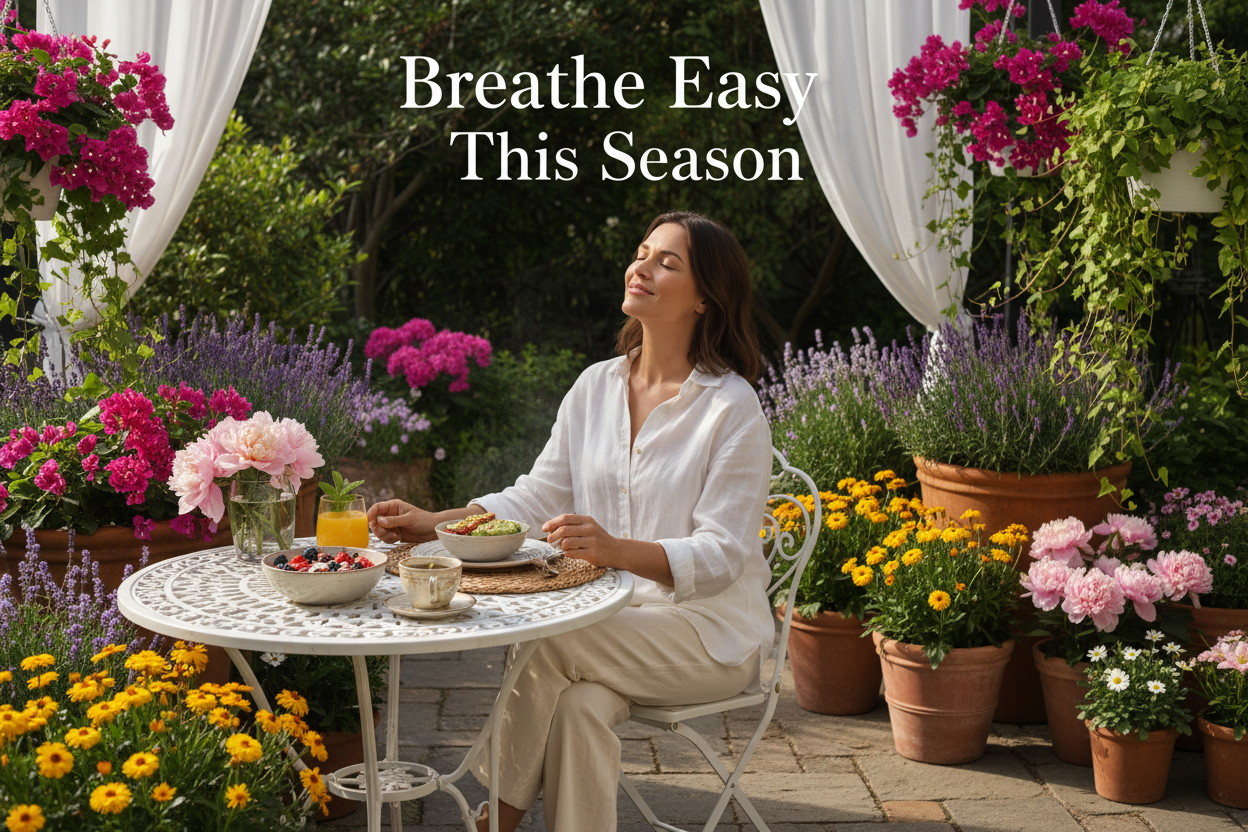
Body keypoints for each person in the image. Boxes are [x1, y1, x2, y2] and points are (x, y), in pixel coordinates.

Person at [367, 211, 775, 832]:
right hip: (616, 629)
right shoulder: (595, 387)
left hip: (709, 635)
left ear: (705, 299)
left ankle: (493, 820)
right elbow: (536, 496)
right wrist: (435, 524)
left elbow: (721, 556)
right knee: (580, 710)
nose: (642, 266)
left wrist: (615, 551)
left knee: (551, 635)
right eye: (643, 253)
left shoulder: (732, 407)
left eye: (668, 262)